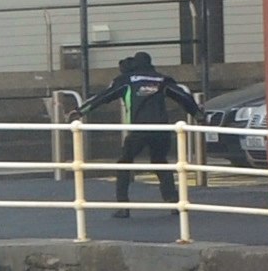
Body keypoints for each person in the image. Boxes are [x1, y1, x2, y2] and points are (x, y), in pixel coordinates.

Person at [80, 49, 193, 203]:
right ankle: (172, 201)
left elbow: (103, 97)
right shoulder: (162, 80)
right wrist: (198, 115)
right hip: (161, 129)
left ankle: (123, 204)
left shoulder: (126, 80)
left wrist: (80, 111)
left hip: (138, 129)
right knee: (160, 162)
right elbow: (183, 97)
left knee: (124, 162)